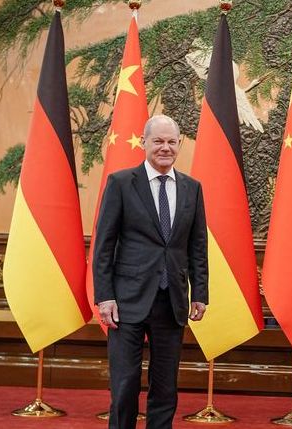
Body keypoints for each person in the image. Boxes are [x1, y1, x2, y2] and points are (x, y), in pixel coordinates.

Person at [93, 114, 208, 429]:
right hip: (126, 302)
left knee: (166, 387)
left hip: (171, 302)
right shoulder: (120, 183)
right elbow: (103, 245)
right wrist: (105, 297)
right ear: (144, 142)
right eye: (158, 141)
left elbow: (197, 246)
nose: (165, 148)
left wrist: (200, 293)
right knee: (125, 385)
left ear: (180, 144)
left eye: (172, 142)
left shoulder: (192, 188)